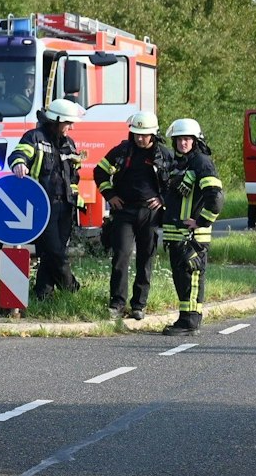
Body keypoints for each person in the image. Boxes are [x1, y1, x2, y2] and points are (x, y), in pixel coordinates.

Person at [95, 112, 173, 320]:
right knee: (121, 257)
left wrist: (163, 199)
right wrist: (109, 195)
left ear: (153, 134)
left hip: (150, 213)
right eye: (137, 133)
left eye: (144, 134)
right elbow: (99, 171)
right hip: (124, 212)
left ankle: (139, 305)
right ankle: (117, 304)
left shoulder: (164, 155)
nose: (140, 138)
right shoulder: (122, 151)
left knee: (146, 258)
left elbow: (175, 182)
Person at [9, 98, 87, 302]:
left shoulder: (69, 143)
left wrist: (76, 200)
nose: (71, 127)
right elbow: (19, 154)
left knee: (52, 252)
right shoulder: (34, 137)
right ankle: (72, 288)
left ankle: (44, 294)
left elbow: (74, 175)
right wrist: (19, 164)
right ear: (57, 120)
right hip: (42, 206)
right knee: (55, 251)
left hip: (66, 207)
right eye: (68, 123)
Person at [158, 117, 224, 335]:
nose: (183, 143)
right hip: (176, 235)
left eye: (187, 139)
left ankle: (192, 322)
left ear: (195, 141)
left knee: (192, 277)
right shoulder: (178, 164)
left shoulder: (201, 163)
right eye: (179, 139)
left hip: (193, 236)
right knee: (181, 279)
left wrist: (201, 222)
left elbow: (215, 197)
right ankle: (184, 318)